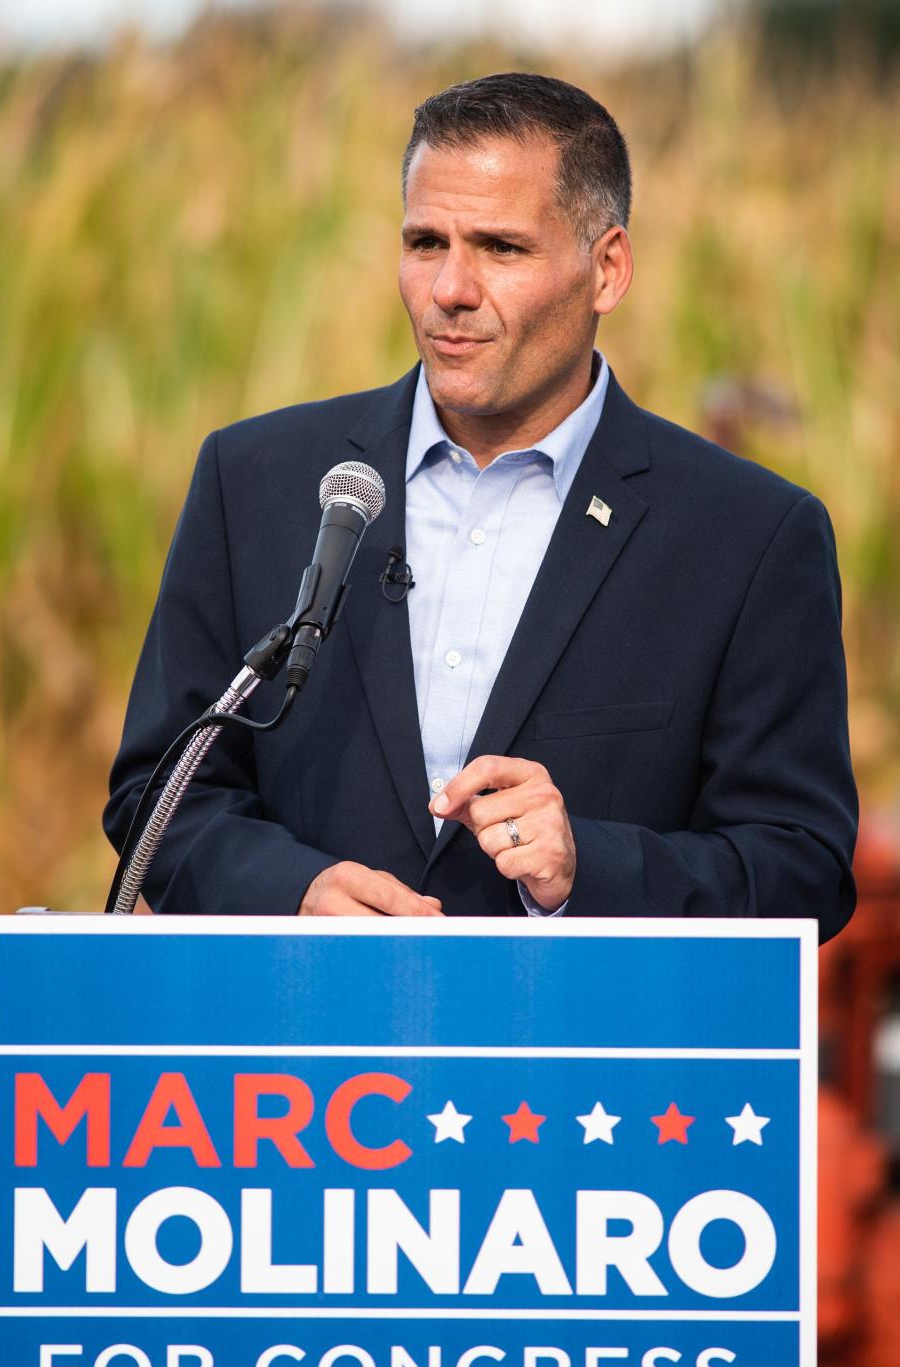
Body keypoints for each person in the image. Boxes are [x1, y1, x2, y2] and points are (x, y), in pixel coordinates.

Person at [104, 72, 857, 938]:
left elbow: (801, 866)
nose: (451, 290)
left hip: (579, 1068)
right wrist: (291, 892)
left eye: (501, 248)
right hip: (301, 1056)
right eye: (427, 242)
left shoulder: (749, 535)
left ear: (607, 269)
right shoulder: (256, 481)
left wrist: (585, 867)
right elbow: (158, 794)